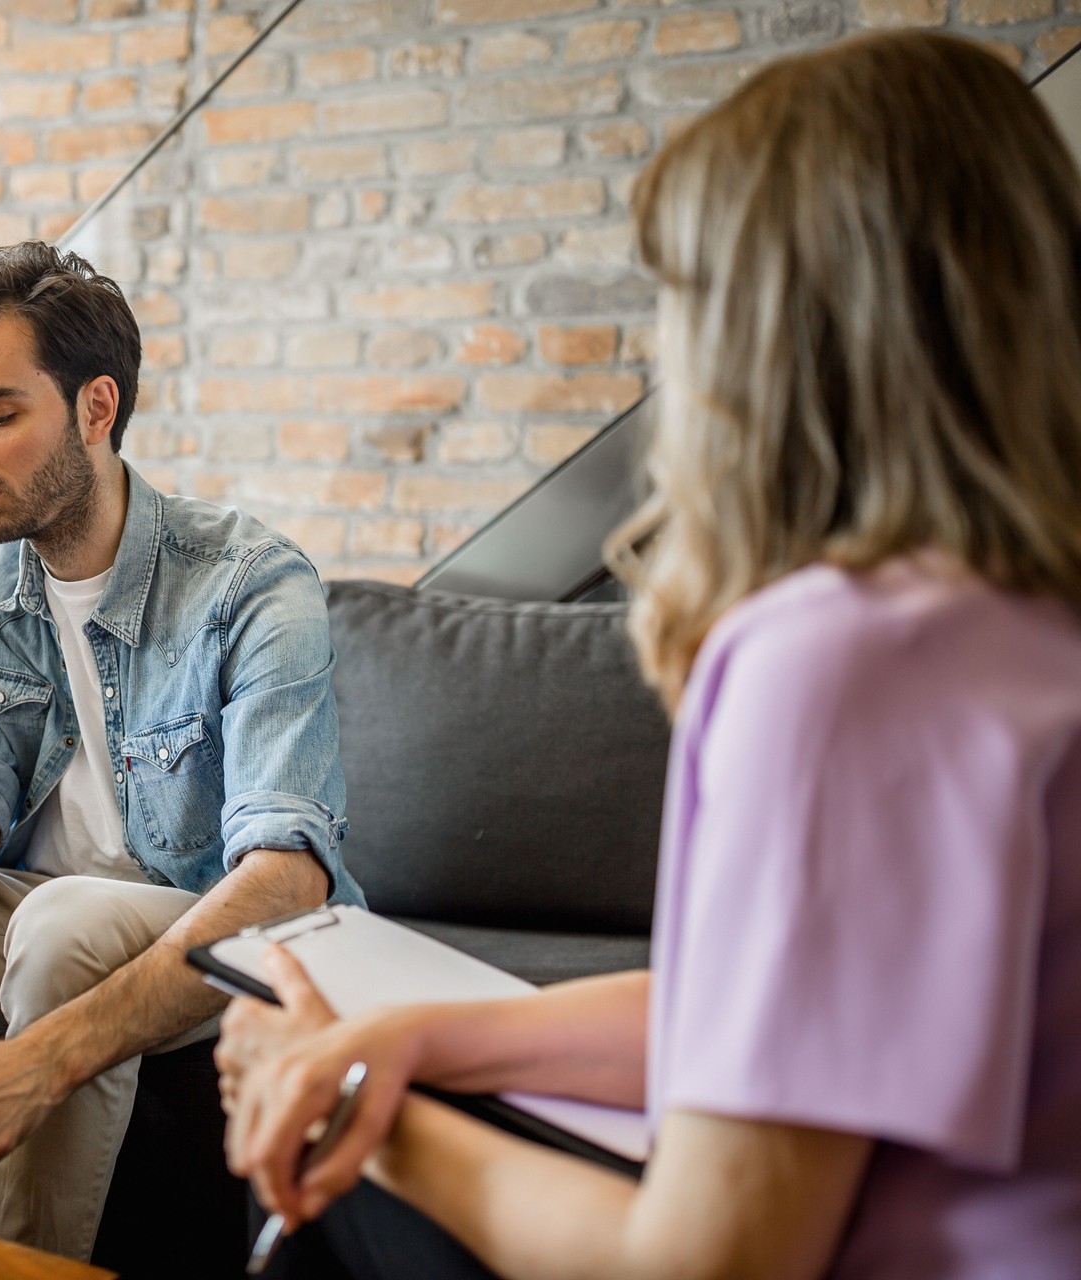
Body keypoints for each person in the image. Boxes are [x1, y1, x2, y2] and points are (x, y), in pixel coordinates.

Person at [217, 31, 1081, 1280]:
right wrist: (413, 1033)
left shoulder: (841, 662)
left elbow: (710, 1261)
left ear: (760, 339)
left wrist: (367, 1118)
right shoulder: (1024, 624)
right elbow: (767, 1022)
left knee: (321, 1223)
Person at [0, 241, 366, 1260]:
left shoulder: (251, 582)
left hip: (218, 931)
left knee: (64, 919)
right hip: (43, 908)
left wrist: (35, 1061)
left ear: (96, 408)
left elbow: (286, 877)